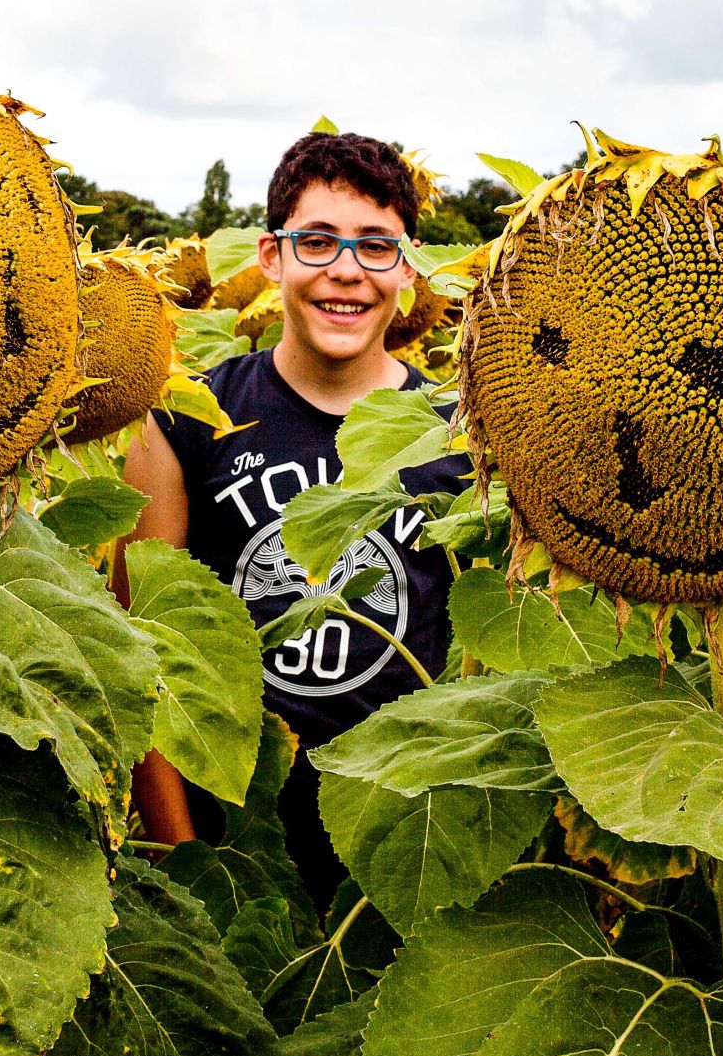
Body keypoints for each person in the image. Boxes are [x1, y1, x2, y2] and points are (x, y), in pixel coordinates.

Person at [121, 131, 468, 905]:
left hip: (407, 837)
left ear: (406, 268)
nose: (346, 270)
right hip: (237, 839)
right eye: (317, 242)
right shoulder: (190, 419)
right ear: (272, 258)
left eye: (376, 247)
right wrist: (189, 869)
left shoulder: (457, 430)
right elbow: (144, 655)